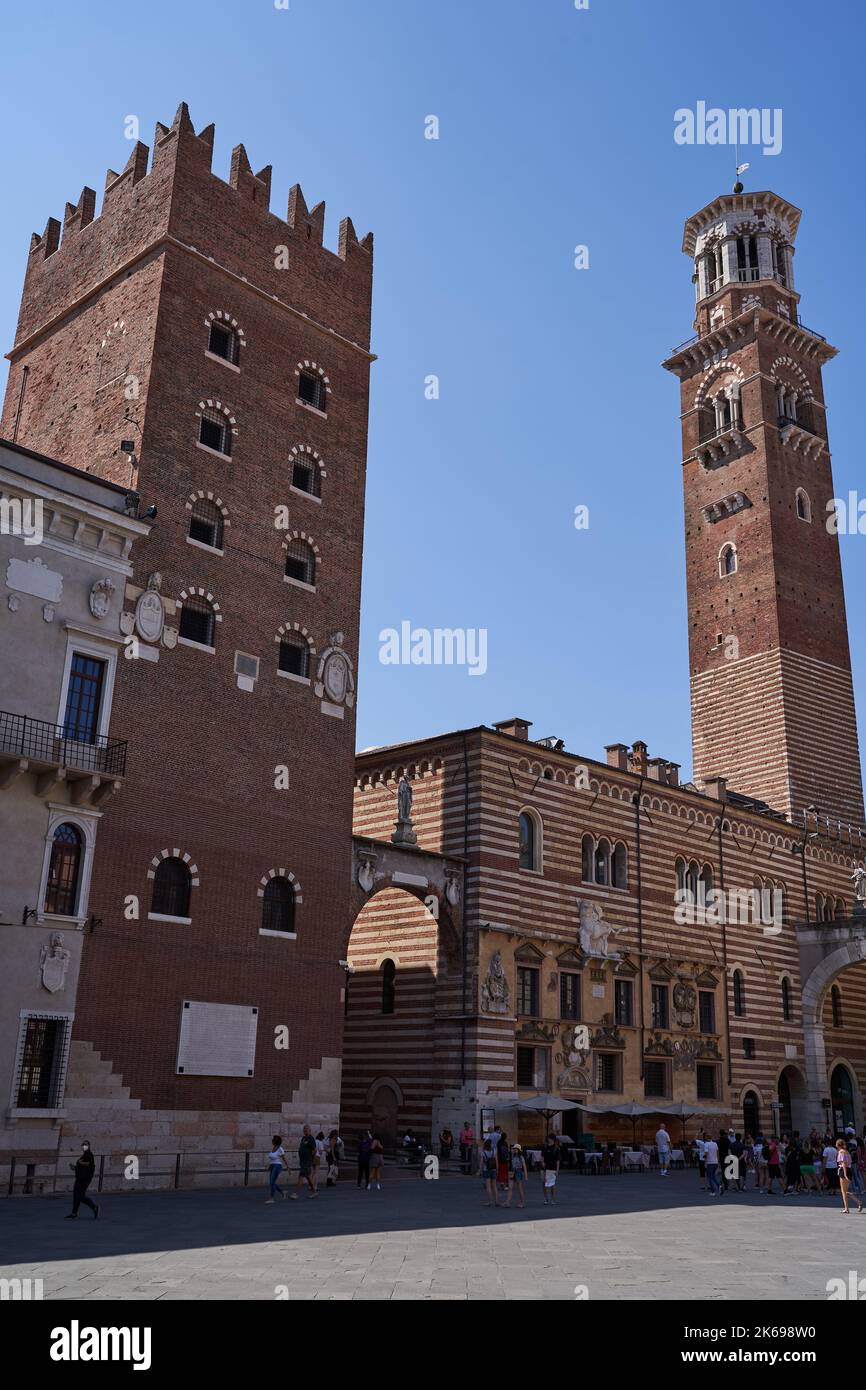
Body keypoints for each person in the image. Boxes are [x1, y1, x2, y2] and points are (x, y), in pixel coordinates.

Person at [66, 1141, 99, 1220]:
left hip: (84, 1179)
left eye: (86, 1145)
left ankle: (94, 1207)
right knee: (76, 1196)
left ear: (89, 1146)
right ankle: (74, 1213)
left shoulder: (89, 1155)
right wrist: (75, 1167)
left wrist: (79, 1164)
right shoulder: (84, 1155)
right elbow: (82, 1166)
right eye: (83, 1145)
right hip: (80, 1178)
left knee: (80, 1196)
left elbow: (89, 1164)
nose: (84, 1146)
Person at [836, 1138, 863, 1215]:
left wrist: (844, 1174)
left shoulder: (841, 1152)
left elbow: (843, 1163)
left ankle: (847, 1208)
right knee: (845, 1191)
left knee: (843, 1192)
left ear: (838, 1145)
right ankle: (858, 1202)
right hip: (849, 1170)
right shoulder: (847, 1152)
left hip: (843, 1170)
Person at [292, 1125, 318, 1199]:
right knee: (308, 1177)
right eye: (304, 1130)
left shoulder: (311, 1138)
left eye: (306, 1130)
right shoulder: (303, 1138)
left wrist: (311, 1158)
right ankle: (314, 1192)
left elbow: (315, 1150)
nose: (305, 1131)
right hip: (303, 1161)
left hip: (307, 1161)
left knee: (301, 1176)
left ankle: (296, 1193)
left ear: (310, 1130)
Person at [265, 1134, 288, 1203]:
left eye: (273, 1139)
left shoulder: (280, 1149)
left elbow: (284, 1158)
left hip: (277, 1166)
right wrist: (269, 1166)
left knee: (272, 1182)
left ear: (275, 1141)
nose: (272, 1140)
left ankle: (272, 1198)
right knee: (272, 1182)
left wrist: (288, 1167)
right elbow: (272, 1159)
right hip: (272, 1166)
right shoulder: (273, 1148)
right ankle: (282, 1192)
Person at [541, 1135, 561, 1205]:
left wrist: (557, 1170)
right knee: (544, 1183)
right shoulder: (545, 1147)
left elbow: (558, 1160)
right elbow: (542, 1156)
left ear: (553, 1140)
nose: (549, 1140)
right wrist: (542, 1162)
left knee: (552, 1184)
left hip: (552, 1168)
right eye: (548, 1138)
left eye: (550, 1139)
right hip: (544, 1168)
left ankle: (553, 1199)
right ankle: (546, 1199)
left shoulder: (556, 1148)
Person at [480, 1137, 498, 1206]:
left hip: (486, 1169)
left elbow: (481, 1162)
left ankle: (490, 1201)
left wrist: (480, 1170)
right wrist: (497, 1169)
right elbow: (496, 1161)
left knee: (488, 1186)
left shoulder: (483, 1152)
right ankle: (496, 1201)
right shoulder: (494, 1151)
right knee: (494, 1186)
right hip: (493, 1169)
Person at [510, 1144, 527, 1208]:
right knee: (516, 1188)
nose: (514, 1150)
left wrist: (526, 1176)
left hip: (519, 1172)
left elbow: (524, 1167)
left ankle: (522, 1202)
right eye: (514, 1149)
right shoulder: (513, 1156)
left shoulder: (521, 1157)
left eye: (516, 1149)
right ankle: (520, 1201)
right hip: (513, 1172)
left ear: (519, 1150)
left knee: (520, 1188)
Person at [496, 1130, 511, 1201]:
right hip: (504, 1159)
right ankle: (504, 1183)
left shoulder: (499, 1142)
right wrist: (507, 1157)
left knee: (501, 1171)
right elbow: (506, 1151)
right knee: (505, 1171)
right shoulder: (505, 1143)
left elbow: (499, 1150)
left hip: (500, 1158)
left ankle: (502, 1182)